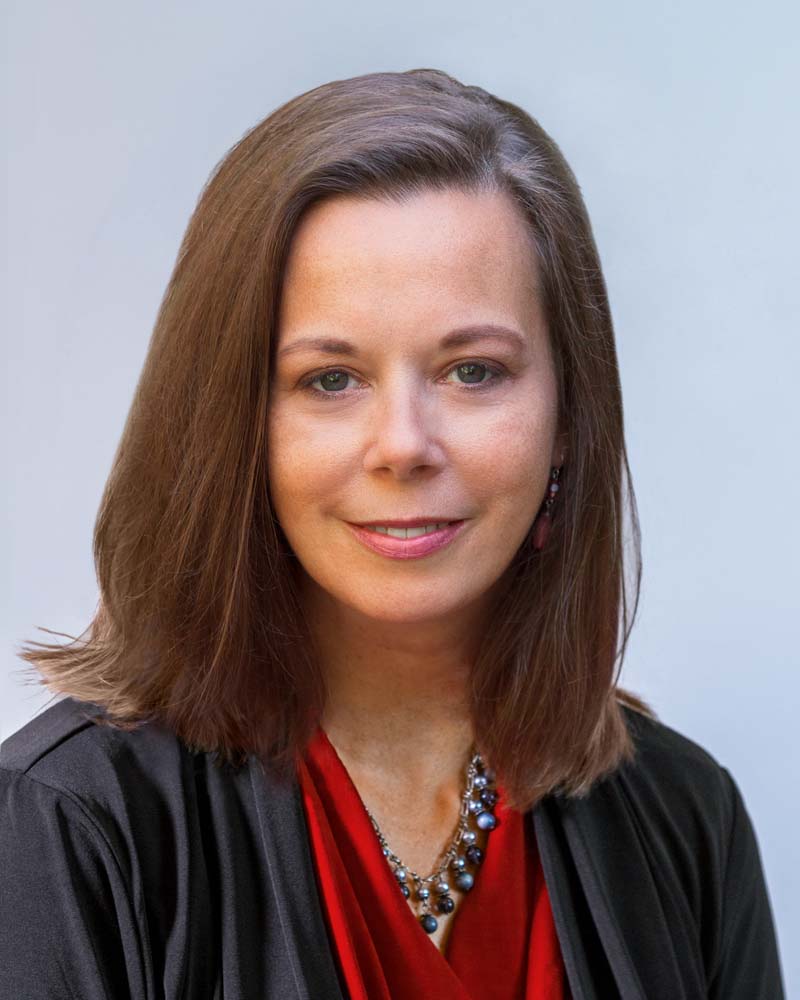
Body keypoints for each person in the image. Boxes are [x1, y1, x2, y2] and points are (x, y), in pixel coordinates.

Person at [0, 68, 785, 999]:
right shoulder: (68, 820)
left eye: (473, 371)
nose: (404, 446)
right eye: (330, 380)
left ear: (569, 411)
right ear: (233, 422)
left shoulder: (686, 816)